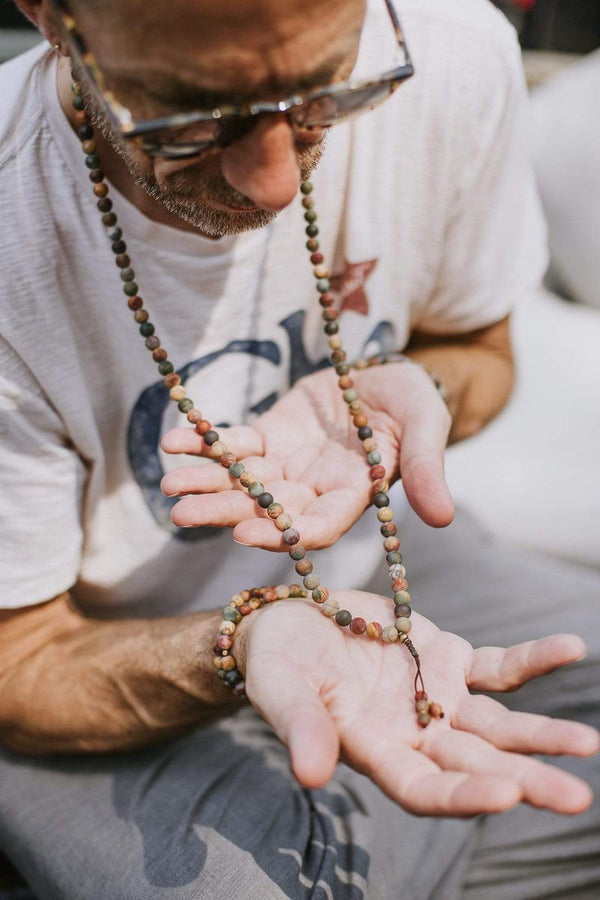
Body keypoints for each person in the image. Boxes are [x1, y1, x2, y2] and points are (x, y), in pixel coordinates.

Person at [0, 0, 598, 897]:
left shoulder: (453, 51)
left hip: (382, 565)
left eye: (329, 94)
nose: (275, 183)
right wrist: (242, 639)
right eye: (192, 116)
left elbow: (477, 349)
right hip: (89, 659)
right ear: (48, 14)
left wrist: (413, 395)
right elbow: (21, 662)